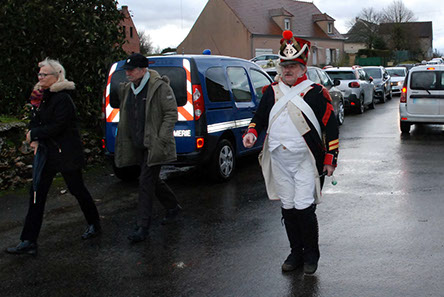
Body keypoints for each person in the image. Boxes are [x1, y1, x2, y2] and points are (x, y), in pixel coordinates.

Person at [242, 31, 339, 275]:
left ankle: (311, 255)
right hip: (279, 160)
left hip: (305, 160)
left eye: (293, 66)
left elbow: (330, 125)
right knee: (288, 207)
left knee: (304, 207)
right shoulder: (271, 92)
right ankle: (296, 252)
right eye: (285, 65)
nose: (288, 70)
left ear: (302, 67)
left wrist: (330, 158)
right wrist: (252, 132)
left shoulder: (316, 92)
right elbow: (259, 118)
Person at [5, 58, 101, 256]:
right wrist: (33, 134)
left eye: (44, 74)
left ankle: (94, 223)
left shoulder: (63, 99)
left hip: (65, 154)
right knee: (36, 195)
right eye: (39, 74)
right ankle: (28, 240)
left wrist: (35, 134)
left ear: (57, 76)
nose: (40, 77)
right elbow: (33, 120)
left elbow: (58, 126)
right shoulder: (40, 97)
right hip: (47, 154)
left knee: (77, 190)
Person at [114, 53, 181, 243]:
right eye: (126, 70)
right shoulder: (128, 89)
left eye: (131, 70)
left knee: (145, 183)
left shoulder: (159, 87)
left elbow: (170, 113)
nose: (127, 73)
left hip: (153, 145)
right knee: (150, 180)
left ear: (143, 70)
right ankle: (173, 207)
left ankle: (142, 227)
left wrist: (161, 138)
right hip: (136, 144)